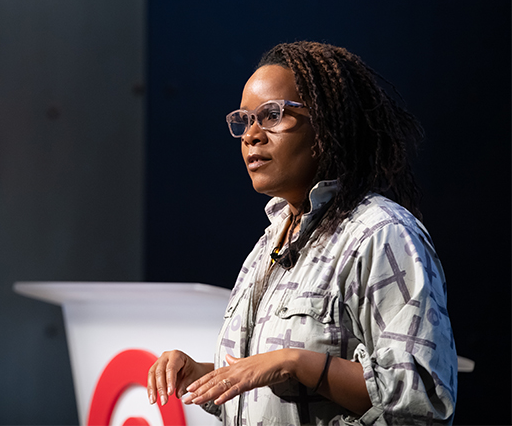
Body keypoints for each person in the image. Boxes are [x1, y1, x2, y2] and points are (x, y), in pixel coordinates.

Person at [146, 41, 457, 425]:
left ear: (327, 125)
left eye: (272, 115)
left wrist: (297, 362)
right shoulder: (269, 243)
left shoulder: (380, 234)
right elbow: (272, 390)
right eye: (245, 120)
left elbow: (422, 399)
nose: (251, 135)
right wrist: (204, 375)